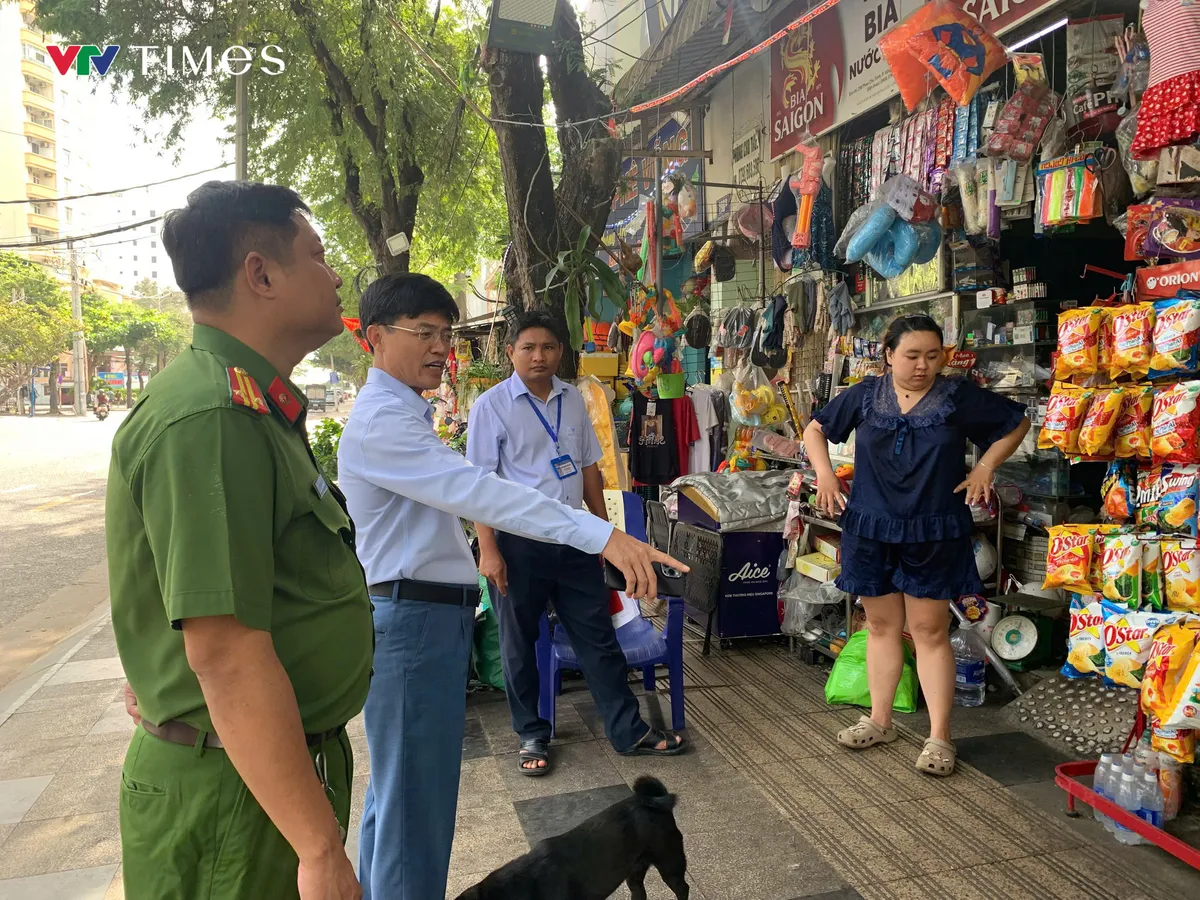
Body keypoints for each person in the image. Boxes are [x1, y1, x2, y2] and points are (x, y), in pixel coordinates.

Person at [337, 276, 686, 900]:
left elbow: (576, 469)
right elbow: (483, 490)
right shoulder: (385, 423)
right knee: (411, 808)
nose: (442, 347)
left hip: (425, 617)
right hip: (413, 622)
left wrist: (595, 529)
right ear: (374, 339)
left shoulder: (407, 414)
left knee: (402, 804)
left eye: (445, 333)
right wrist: (603, 537)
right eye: (425, 333)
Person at [106, 181, 368, 899]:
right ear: (262, 274)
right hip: (235, 799)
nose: (335, 274)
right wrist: (317, 849)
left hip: (256, 777)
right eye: (317, 255)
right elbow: (224, 650)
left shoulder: (249, 404)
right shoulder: (212, 417)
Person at [802, 314, 1029, 777]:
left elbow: (1016, 423)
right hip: (869, 526)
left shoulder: (956, 396)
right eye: (911, 355)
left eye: (932, 355)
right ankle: (880, 721)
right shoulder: (866, 394)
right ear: (888, 355)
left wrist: (985, 467)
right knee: (881, 627)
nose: (923, 365)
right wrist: (824, 474)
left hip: (933, 529)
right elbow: (815, 429)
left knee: (928, 633)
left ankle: (940, 737)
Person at [467, 309, 685, 776]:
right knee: (518, 643)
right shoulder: (491, 407)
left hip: (576, 543)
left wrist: (606, 535)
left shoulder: (574, 398)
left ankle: (628, 731)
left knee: (597, 637)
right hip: (517, 546)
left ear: (560, 352)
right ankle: (531, 732)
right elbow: (479, 486)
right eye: (528, 347)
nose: (538, 356)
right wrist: (489, 551)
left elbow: (589, 468)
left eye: (548, 347)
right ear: (511, 353)